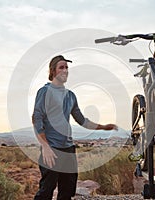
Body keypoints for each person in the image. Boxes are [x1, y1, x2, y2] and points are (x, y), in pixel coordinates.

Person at [32, 55, 117, 200]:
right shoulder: (45, 92)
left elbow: (82, 120)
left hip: (69, 149)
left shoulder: (71, 95)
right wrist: (45, 147)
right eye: (61, 67)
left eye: (66, 67)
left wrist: (103, 127)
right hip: (52, 148)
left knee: (67, 191)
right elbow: (36, 119)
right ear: (53, 71)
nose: (65, 70)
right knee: (46, 191)